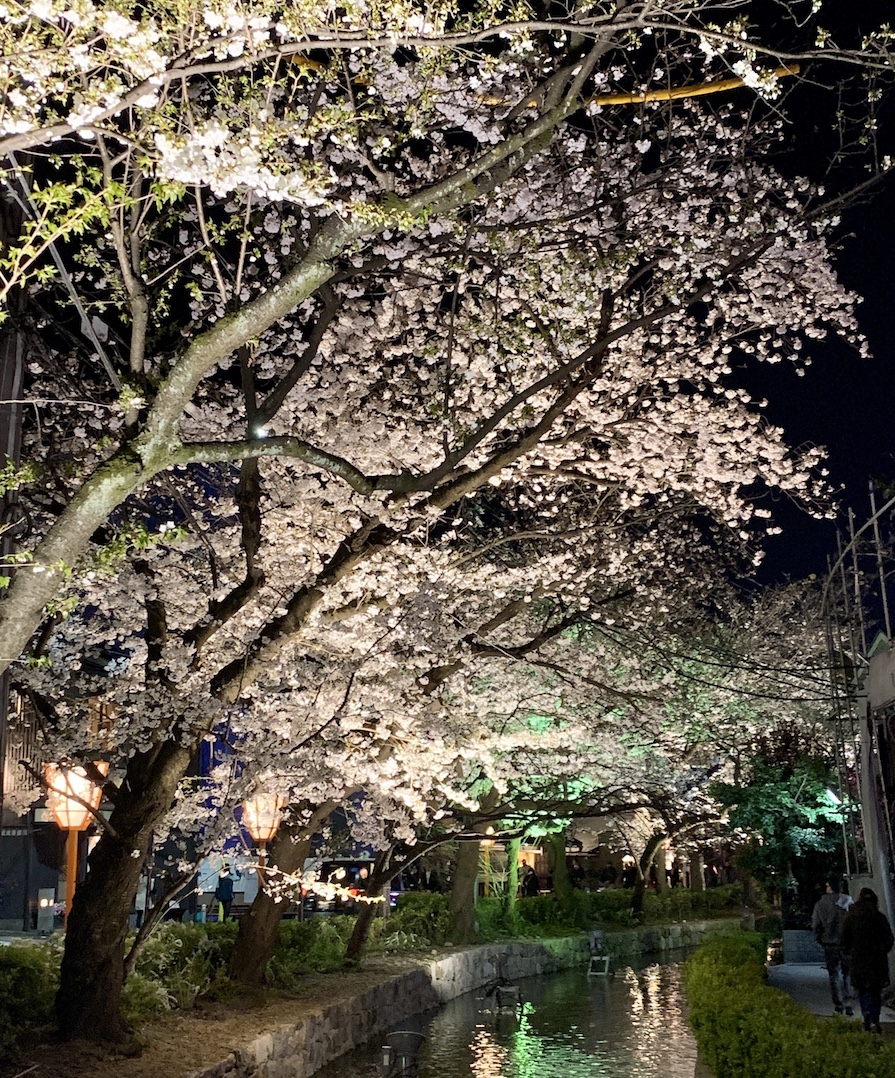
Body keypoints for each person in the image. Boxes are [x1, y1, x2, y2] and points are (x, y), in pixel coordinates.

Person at [840, 886, 894, 1033]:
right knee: (875, 991)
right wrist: (882, 951)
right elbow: (889, 939)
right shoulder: (879, 917)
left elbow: (844, 940)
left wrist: (849, 953)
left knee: (863, 991)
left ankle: (867, 1016)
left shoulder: (851, 917)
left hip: (858, 961)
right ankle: (875, 1019)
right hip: (877, 961)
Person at [811, 874, 851, 1015]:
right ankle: (849, 1002)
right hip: (846, 943)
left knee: (834, 974)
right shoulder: (848, 901)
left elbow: (816, 924)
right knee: (847, 974)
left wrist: (819, 938)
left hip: (829, 943)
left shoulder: (821, 904)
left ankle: (838, 1004)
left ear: (831, 887)